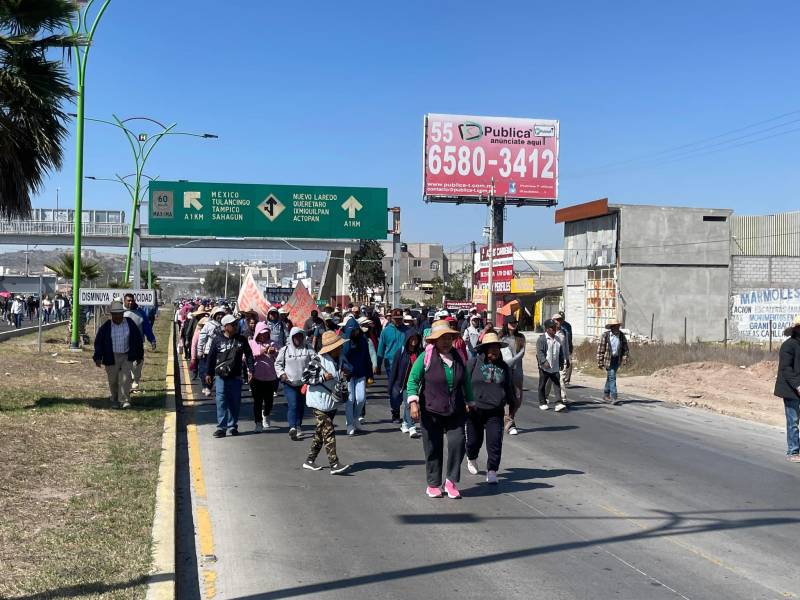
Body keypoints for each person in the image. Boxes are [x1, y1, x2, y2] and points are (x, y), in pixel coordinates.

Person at [407, 320, 473, 499]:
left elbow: (466, 380)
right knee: (433, 447)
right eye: (442, 338)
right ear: (434, 340)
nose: (446, 341)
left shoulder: (458, 355)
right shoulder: (426, 357)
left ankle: (451, 481)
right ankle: (433, 484)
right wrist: (413, 403)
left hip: (456, 409)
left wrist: (470, 400)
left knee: (457, 443)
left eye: (449, 337)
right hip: (431, 410)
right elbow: (413, 380)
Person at [465, 331, 514, 484]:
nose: (494, 351)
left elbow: (509, 388)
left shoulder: (504, 367)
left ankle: (492, 470)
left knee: (494, 442)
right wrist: (465, 402)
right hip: (475, 410)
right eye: (491, 348)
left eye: (497, 348)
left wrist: (512, 407)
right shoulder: (473, 363)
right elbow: (463, 384)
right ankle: (471, 457)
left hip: (495, 411)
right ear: (485, 349)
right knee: (474, 441)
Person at [300, 330, 351, 474]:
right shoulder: (318, 360)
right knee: (328, 431)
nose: (341, 348)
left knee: (320, 432)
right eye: (338, 346)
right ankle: (334, 464)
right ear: (332, 348)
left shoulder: (339, 359)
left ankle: (310, 460)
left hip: (331, 401)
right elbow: (305, 378)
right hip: (318, 402)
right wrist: (323, 379)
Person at [205, 314, 255, 438]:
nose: (236, 326)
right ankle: (221, 428)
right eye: (233, 324)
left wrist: (251, 370)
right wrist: (208, 373)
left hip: (236, 376)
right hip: (220, 377)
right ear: (226, 326)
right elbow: (211, 358)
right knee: (221, 402)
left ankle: (232, 426)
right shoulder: (217, 340)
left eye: (236, 324)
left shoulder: (241, 339)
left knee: (234, 403)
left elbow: (249, 355)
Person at [93, 300, 144, 409]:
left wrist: (139, 355)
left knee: (125, 379)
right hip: (111, 356)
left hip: (126, 356)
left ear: (122, 314)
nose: (118, 317)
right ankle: (115, 398)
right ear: (111, 315)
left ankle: (125, 400)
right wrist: (97, 357)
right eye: (115, 314)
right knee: (113, 380)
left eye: (120, 314)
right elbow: (99, 342)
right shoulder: (106, 326)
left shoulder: (130, 323)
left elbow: (138, 340)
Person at [275, 327, 314, 440]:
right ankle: (292, 427)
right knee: (293, 405)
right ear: (291, 337)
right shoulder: (285, 350)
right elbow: (278, 364)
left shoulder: (308, 348)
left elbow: (316, 360)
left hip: (303, 384)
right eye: (295, 336)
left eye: (300, 336)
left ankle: (298, 426)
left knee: (301, 406)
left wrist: (310, 372)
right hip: (289, 383)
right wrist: (282, 374)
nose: (298, 338)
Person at [342, 316, 374, 435]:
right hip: (348, 375)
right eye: (352, 330)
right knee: (350, 400)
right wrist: (348, 342)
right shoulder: (344, 340)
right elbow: (343, 356)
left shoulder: (363, 340)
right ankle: (350, 423)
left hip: (360, 373)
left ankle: (355, 418)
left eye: (355, 330)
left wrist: (370, 374)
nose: (354, 332)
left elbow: (367, 358)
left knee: (361, 399)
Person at [774, 315, 800, 462]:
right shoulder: (788, 346)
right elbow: (786, 369)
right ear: (797, 329)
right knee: (793, 422)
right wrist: (798, 385)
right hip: (790, 389)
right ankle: (793, 451)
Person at [377, 308, 409, 422]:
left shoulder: (407, 330)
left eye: (400, 319)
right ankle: (395, 411)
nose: (398, 321)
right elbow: (381, 349)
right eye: (396, 319)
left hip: (405, 363)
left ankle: (404, 411)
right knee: (394, 388)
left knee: (404, 388)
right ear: (392, 319)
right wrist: (378, 365)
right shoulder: (386, 331)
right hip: (390, 364)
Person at [389, 331, 423, 439]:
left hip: (416, 383)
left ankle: (405, 423)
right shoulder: (400, 352)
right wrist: (391, 386)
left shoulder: (420, 353)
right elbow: (394, 370)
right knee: (409, 404)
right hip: (403, 384)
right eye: (412, 338)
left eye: (416, 339)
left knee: (409, 404)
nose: (414, 341)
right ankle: (412, 427)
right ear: (407, 340)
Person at [249, 322, 280, 432]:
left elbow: (280, 357)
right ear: (257, 333)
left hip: (270, 377)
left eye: (266, 333)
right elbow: (247, 357)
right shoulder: (252, 343)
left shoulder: (273, 343)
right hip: (256, 377)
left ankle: (266, 415)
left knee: (269, 401)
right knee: (257, 401)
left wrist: (274, 352)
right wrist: (262, 351)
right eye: (261, 334)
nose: (263, 336)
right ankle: (258, 423)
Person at [123, 294, 157, 392]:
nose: (130, 302)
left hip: (137, 344)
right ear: (124, 301)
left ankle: (136, 380)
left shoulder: (140, 312)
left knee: (137, 364)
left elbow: (147, 327)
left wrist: (152, 340)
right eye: (128, 301)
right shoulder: (120, 312)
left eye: (132, 301)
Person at [500, 316, 526, 435]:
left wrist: (514, 360)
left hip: (517, 372)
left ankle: (508, 418)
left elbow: (522, 354)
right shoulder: (501, 338)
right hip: (504, 371)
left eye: (515, 322)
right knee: (507, 398)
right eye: (511, 322)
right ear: (506, 324)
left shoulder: (521, 337)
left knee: (518, 399)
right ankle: (509, 423)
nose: (514, 324)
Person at [596, 320, 630, 405]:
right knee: (612, 377)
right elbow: (600, 349)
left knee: (610, 377)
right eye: (615, 326)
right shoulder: (605, 336)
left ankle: (606, 395)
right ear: (611, 327)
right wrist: (600, 362)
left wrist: (625, 358)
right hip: (608, 359)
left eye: (618, 326)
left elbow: (625, 348)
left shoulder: (621, 336)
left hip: (616, 359)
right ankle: (614, 397)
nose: (617, 328)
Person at [537, 319, 566, 412]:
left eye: (554, 327)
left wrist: (562, 362)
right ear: (547, 329)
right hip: (544, 368)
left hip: (555, 367)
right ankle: (542, 402)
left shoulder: (558, 339)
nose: (554, 329)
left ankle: (558, 403)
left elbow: (560, 352)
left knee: (557, 384)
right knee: (542, 385)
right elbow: (540, 352)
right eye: (551, 327)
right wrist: (544, 361)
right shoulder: (542, 339)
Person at [545, 313, 572, 408]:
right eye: (556, 320)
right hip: (551, 359)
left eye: (560, 320)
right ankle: (545, 396)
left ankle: (562, 398)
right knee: (548, 379)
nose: (558, 322)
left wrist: (567, 359)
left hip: (562, 358)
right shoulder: (549, 332)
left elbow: (566, 346)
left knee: (561, 378)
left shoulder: (564, 332)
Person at [198, 307, 225, 396]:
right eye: (218, 314)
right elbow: (202, 338)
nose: (220, 316)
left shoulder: (225, 325)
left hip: (220, 352)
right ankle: (206, 387)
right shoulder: (208, 325)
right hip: (208, 352)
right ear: (214, 315)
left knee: (216, 371)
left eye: (222, 314)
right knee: (205, 370)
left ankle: (211, 387)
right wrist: (200, 350)